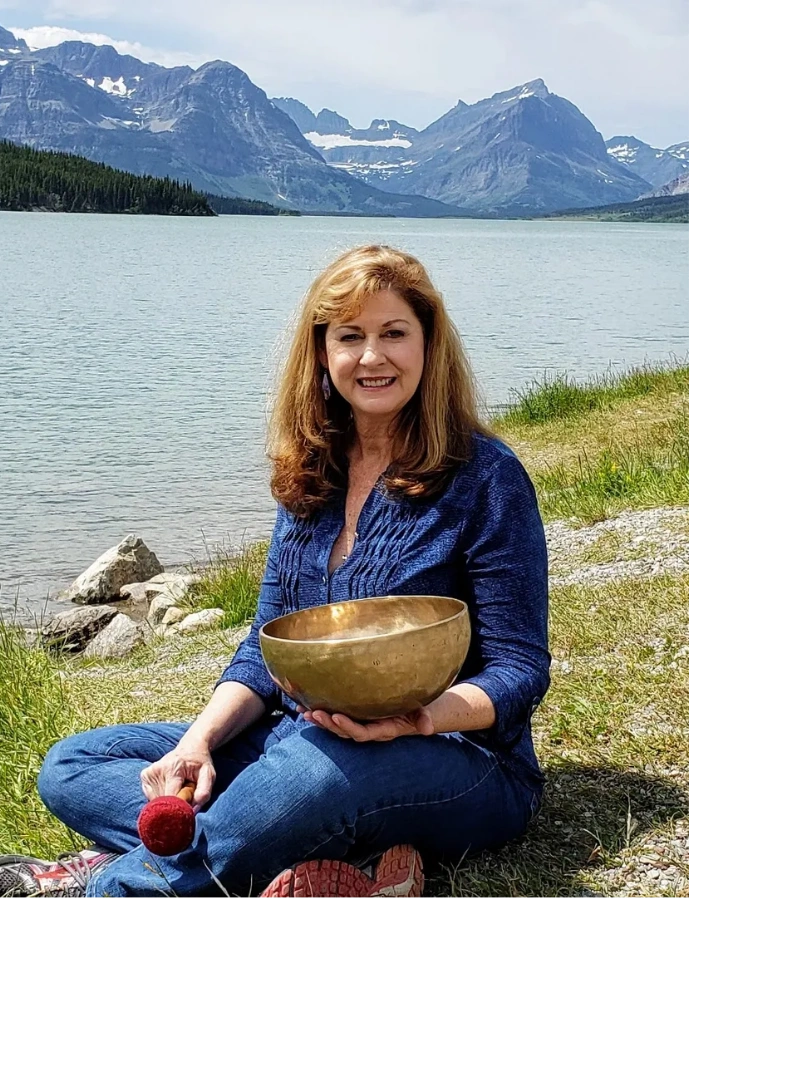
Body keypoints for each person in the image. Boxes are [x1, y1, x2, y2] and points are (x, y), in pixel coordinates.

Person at [0, 244, 551, 901]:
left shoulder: (486, 477)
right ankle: (330, 854)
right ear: (322, 353)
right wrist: (197, 745)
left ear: (428, 344)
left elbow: (520, 668)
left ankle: (103, 887)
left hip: (459, 758)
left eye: (394, 333)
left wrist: (417, 720)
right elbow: (265, 644)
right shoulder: (313, 470)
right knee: (74, 764)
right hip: (292, 737)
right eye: (350, 336)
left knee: (311, 779)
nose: (372, 356)